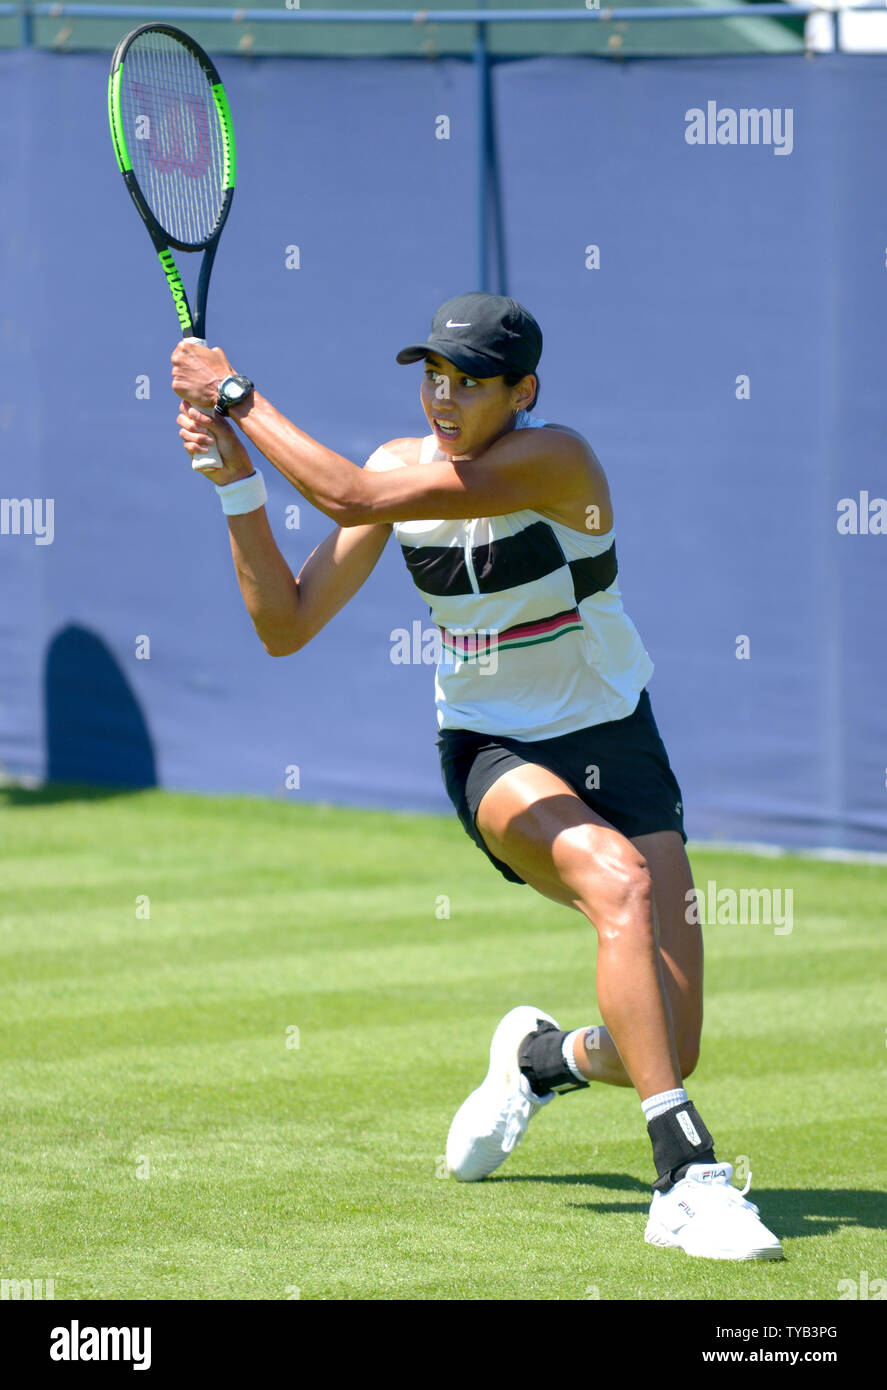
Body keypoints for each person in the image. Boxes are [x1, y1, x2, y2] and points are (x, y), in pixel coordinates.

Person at [171, 292, 782, 1261]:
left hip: (618, 738)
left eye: (469, 382)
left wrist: (234, 393)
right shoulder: (391, 469)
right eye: (431, 376)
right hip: (492, 750)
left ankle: (537, 1061)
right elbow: (284, 623)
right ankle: (684, 1178)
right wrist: (233, 485)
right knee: (614, 880)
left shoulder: (558, 460)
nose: (442, 398)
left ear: (523, 391)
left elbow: (350, 498)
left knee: (661, 1039)